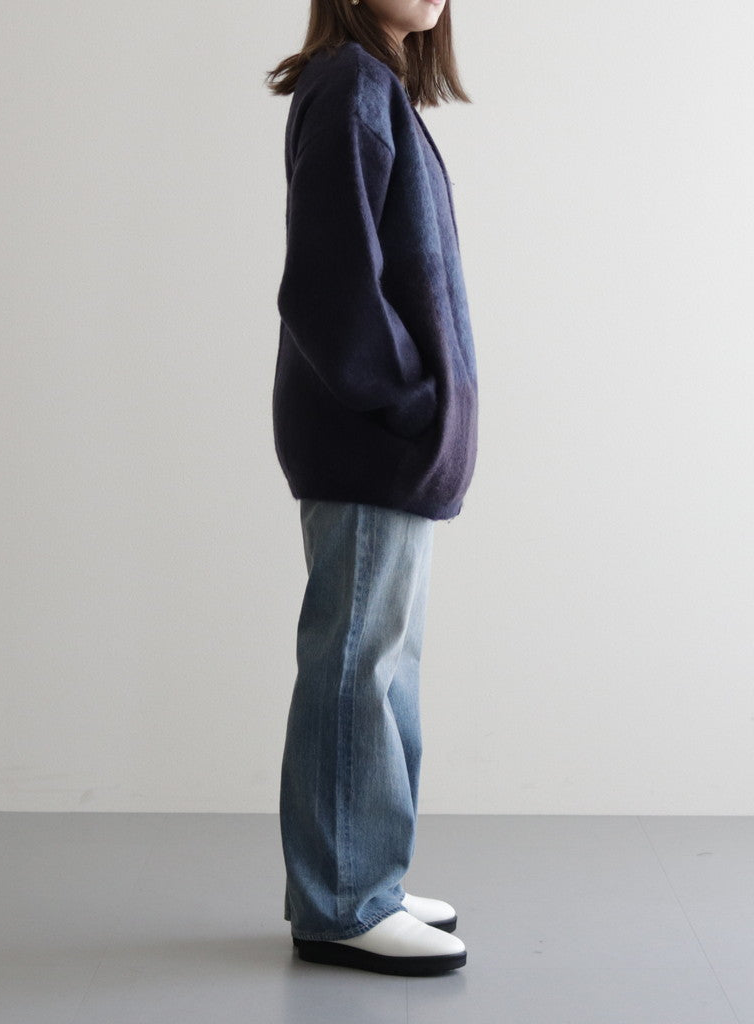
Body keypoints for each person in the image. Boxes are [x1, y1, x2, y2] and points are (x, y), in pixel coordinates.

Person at [263, 0, 479, 977]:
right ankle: (344, 900)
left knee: (383, 667)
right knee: (356, 663)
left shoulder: (378, 89)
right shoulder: (350, 84)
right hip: (370, 440)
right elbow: (329, 286)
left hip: (392, 445)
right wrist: (409, 401)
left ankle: (366, 877)